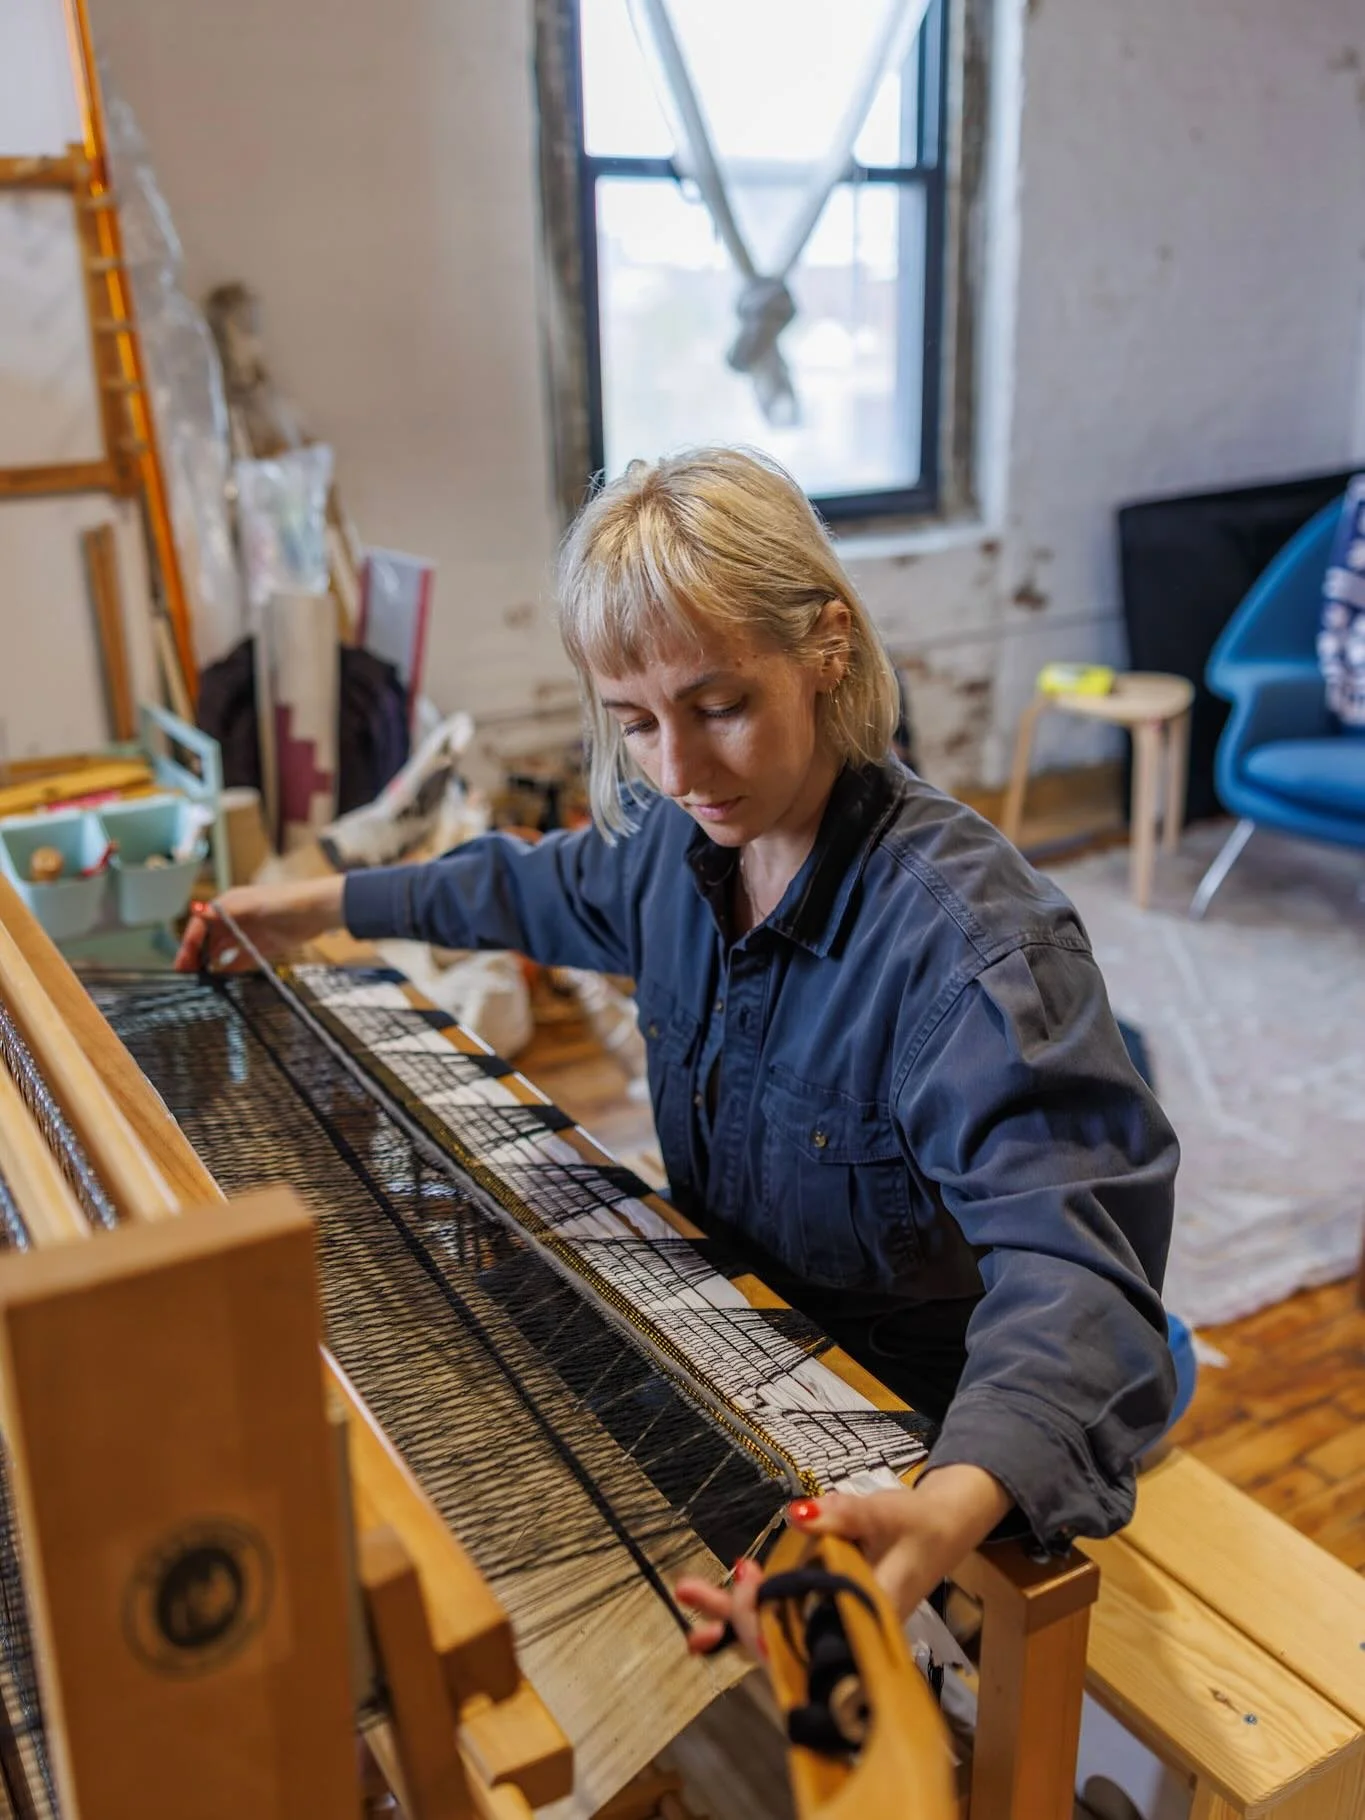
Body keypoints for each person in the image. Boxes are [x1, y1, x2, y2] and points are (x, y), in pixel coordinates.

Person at [178, 446, 1178, 1657]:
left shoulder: (970, 946)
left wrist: (944, 1505)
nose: (679, 770)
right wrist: (314, 906)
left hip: (912, 1414)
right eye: (637, 722)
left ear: (827, 649)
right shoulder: (679, 847)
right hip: (745, 1343)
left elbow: (1076, 1270)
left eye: (719, 707)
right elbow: (528, 886)